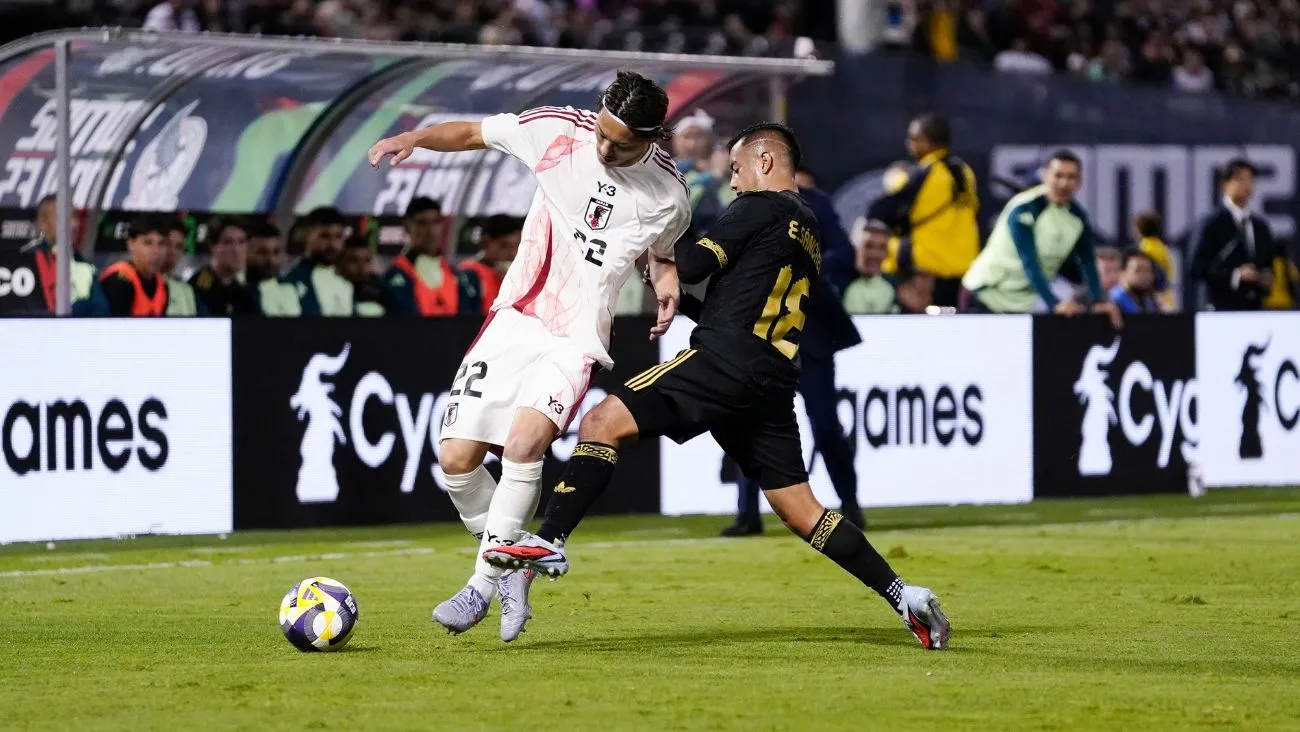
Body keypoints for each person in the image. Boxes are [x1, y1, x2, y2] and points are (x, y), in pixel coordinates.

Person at [483, 123, 951, 651]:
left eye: (736, 168)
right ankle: (903, 594)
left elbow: (692, 264)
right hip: (771, 380)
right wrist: (675, 297)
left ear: (766, 162)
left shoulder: (759, 206)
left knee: (600, 423)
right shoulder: (809, 228)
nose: (733, 181)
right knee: (803, 511)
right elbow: (731, 302)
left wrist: (646, 242)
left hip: (725, 363)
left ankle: (546, 544)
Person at [367, 70, 691, 641]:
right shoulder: (558, 132)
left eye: (622, 143)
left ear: (653, 138)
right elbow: (471, 133)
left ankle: (480, 586)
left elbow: (660, 252)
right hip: (514, 319)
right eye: (604, 134)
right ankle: (512, 559)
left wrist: (665, 280)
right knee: (456, 460)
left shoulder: (669, 195)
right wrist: (414, 139)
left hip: (577, 338)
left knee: (523, 446)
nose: (607, 148)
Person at [724, 164, 864, 536]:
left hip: (810, 334)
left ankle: (851, 503)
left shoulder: (816, 204)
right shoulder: (746, 209)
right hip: (762, 334)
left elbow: (844, 254)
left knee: (826, 426)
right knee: (749, 424)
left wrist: (802, 264)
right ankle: (747, 516)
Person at [961, 150, 1121, 328]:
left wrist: (1098, 300)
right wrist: (1054, 304)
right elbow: (1029, 262)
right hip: (986, 295)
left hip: (1024, 300)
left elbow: (1087, 262)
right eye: (1058, 175)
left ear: (1079, 182)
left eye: (1071, 177)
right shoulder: (1024, 208)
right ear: (1045, 176)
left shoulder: (1077, 218)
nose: (1064, 183)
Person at [866, 113, 979, 308]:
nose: (909, 143)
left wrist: (894, 179)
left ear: (927, 141)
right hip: (963, 274)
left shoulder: (924, 175)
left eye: (913, 139)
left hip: (925, 277)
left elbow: (881, 211)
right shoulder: (964, 171)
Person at [1189, 159, 1281, 312]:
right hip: (1220, 309)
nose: (1247, 184)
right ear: (1225, 185)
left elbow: (1267, 262)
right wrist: (1235, 275)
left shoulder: (1260, 226)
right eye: (1240, 179)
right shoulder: (1211, 224)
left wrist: (1265, 277)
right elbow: (1196, 267)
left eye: (1250, 179)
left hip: (1254, 309)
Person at [385, 197, 482, 316]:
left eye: (436, 222)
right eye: (422, 223)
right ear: (407, 227)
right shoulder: (393, 277)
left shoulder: (457, 277)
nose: (431, 231)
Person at [15, 194, 107, 316]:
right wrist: (79, 309)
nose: (74, 224)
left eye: (75, 217)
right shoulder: (24, 260)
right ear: (43, 223)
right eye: (65, 217)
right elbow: (25, 312)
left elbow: (102, 314)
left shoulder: (85, 266)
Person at [280, 206, 352, 316]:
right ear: (308, 236)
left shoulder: (348, 283)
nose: (332, 244)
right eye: (324, 236)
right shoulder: (290, 283)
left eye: (338, 237)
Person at [100, 214, 170, 317]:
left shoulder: (162, 285)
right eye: (148, 243)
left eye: (162, 244)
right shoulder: (117, 281)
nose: (156, 251)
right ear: (130, 244)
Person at [191, 216, 259, 316]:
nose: (236, 250)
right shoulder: (198, 287)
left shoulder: (247, 292)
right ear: (213, 246)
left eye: (241, 242)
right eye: (228, 242)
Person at [458, 214, 522, 314]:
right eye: (504, 246)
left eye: (516, 246)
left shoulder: (520, 276)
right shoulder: (469, 274)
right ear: (486, 243)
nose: (512, 254)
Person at [842, 220, 898, 314]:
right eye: (869, 246)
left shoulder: (895, 288)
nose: (874, 254)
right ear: (857, 248)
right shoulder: (839, 284)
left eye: (882, 248)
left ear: (887, 253)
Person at [1133, 210, 1177, 311]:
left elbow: (1157, 277)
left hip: (1157, 301)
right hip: (1167, 297)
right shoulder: (1162, 247)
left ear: (1138, 229)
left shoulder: (1146, 249)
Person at [338, 236, 391, 316]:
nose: (362, 267)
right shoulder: (331, 286)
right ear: (340, 262)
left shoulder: (383, 289)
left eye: (367, 260)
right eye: (354, 260)